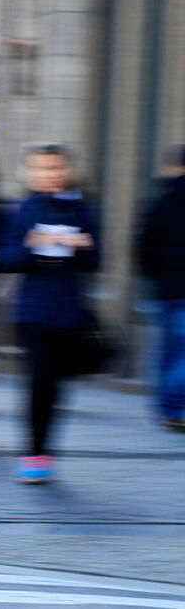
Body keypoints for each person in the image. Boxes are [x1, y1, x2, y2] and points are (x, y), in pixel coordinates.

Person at [0, 144, 101, 483]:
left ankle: (46, 450)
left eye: (56, 167)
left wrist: (82, 246)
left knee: (55, 386)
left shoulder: (86, 210)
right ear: (31, 173)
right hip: (32, 310)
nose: (50, 174)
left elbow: (96, 261)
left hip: (68, 309)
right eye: (42, 169)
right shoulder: (24, 207)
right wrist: (31, 244)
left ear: (68, 169)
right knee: (39, 380)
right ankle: (32, 450)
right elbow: (5, 259)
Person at [139, 145, 185, 431]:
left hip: (165, 287)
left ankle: (167, 406)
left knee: (169, 349)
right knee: (180, 352)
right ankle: (171, 407)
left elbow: (144, 245)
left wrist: (155, 276)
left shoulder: (160, 198)